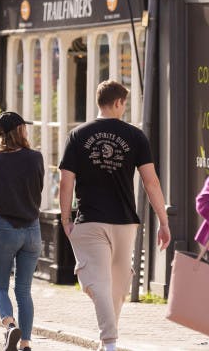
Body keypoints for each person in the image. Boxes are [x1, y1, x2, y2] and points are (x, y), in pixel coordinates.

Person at [59, 80, 171, 351]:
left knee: (115, 287)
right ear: (119, 103)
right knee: (102, 283)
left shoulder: (78, 135)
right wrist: (163, 220)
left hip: (95, 219)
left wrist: (66, 218)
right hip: (118, 222)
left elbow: (65, 181)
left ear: (99, 101)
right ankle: (110, 342)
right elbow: (151, 182)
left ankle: (104, 341)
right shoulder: (135, 136)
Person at [0, 112, 44, 351]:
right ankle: (26, 343)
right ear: (19, 131)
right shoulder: (36, 158)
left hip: (4, 227)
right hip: (33, 230)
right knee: (24, 290)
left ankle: (9, 326)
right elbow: (38, 187)